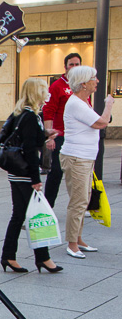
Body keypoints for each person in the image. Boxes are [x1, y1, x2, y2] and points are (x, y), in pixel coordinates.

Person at [0, 78, 63, 274]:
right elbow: (28, 149)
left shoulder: (20, 113)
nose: (47, 95)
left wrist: (44, 135)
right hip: (26, 173)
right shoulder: (29, 116)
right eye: (44, 91)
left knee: (18, 215)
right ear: (37, 93)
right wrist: (36, 179)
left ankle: (8, 256)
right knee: (36, 215)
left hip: (15, 172)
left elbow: (26, 140)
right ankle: (43, 258)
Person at [60, 66, 114, 258]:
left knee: (84, 199)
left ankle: (78, 238)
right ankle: (72, 243)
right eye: (94, 78)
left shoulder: (83, 101)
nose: (97, 81)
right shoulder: (76, 103)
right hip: (77, 158)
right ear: (84, 83)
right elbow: (100, 123)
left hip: (84, 157)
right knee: (79, 200)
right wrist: (108, 105)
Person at [42, 52, 83, 207]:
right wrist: (50, 136)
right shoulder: (57, 86)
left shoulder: (81, 86)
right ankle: (48, 206)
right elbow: (48, 111)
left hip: (77, 137)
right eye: (71, 64)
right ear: (65, 66)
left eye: (77, 64)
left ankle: (81, 205)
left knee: (79, 173)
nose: (73, 67)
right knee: (56, 172)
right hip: (60, 136)